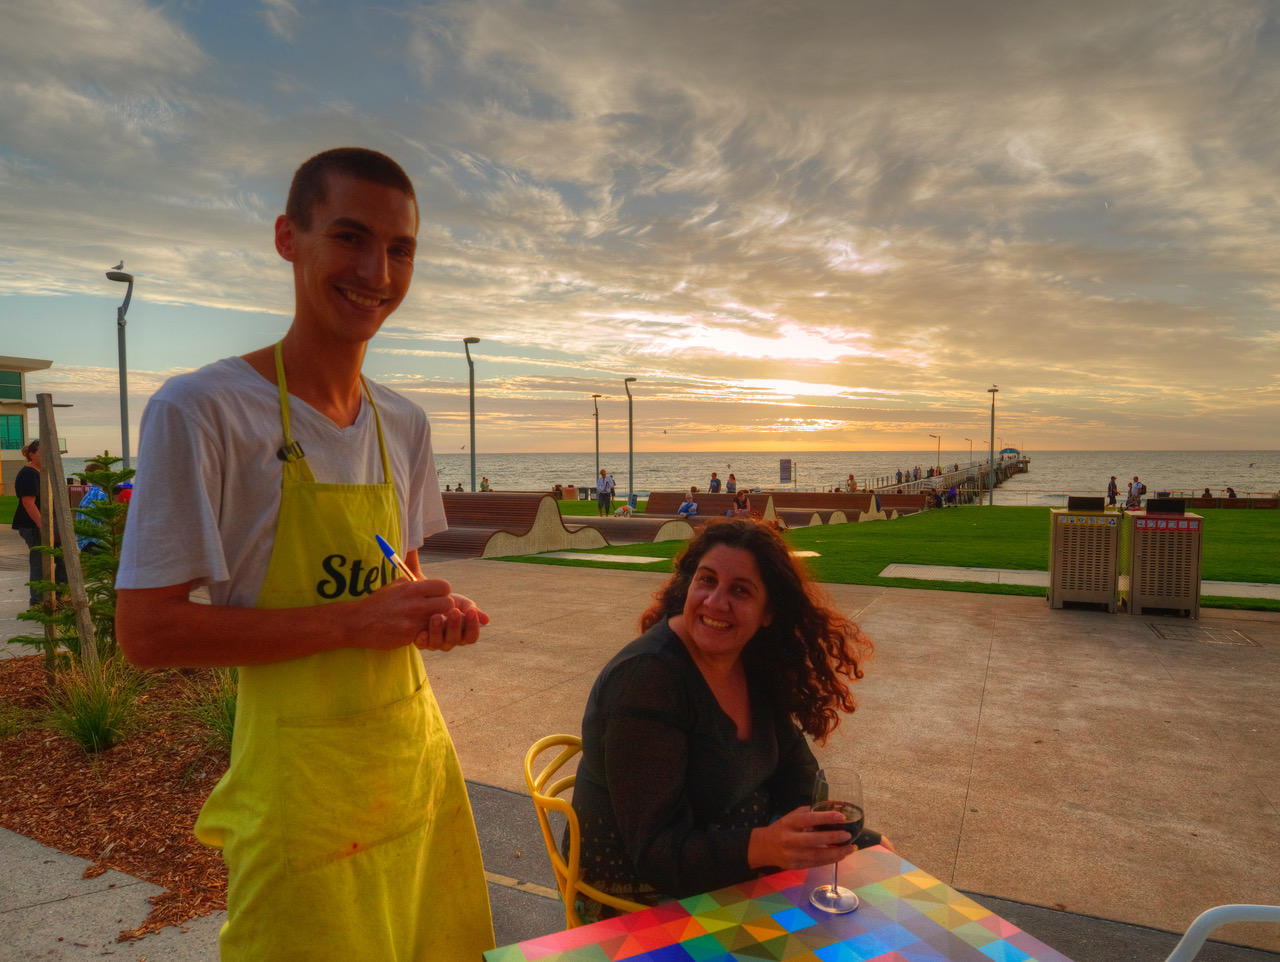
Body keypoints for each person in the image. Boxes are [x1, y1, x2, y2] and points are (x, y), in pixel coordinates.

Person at [115, 148, 494, 961]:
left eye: (400, 250)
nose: (376, 271)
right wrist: (355, 621)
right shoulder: (202, 409)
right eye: (351, 238)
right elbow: (148, 634)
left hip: (413, 768)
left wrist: (433, 614)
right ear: (290, 238)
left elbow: (399, 581)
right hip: (296, 798)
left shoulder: (406, 424)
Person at [570, 519, 885, 921]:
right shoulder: (648, 679)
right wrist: (767, 847)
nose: (716, 602)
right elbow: (657, 854)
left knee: (873, 877)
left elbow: (798, 777)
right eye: (707, 580)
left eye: (740, 590)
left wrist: (840, 837)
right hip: (635, 896)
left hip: (730, 864)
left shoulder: (749, 662)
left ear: (767, 612)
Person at [10, 440, 67, 607]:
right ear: (31, 455)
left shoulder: (42, 473)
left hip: (49, 524)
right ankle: (38, 602)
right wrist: (44, 526)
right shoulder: (29, 474)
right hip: (33, 525)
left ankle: (59, 596)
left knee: (63, 558)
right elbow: (28, 502)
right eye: (43, 453)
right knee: (40, 561)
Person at [76, 462, 110, 554]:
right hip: (96, 542)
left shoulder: (88, 495)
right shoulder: (101, 495)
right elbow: (107, 519)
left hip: (84, 542)